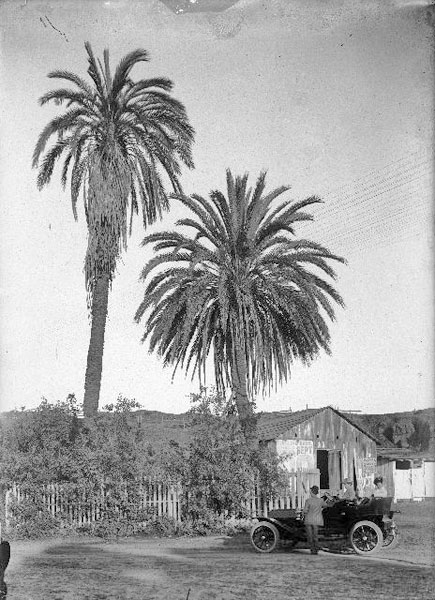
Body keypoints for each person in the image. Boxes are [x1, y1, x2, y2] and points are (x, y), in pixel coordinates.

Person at [303, 485, 327, 555]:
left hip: (309, 520)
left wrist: (302, 512)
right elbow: (325, 505)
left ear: (311, 492)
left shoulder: (308, 500)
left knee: (310, 536)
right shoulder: (321, 500)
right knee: (315, 536)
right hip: (317, 520)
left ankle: (312, 550)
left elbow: (305, 511)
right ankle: (316, 550)